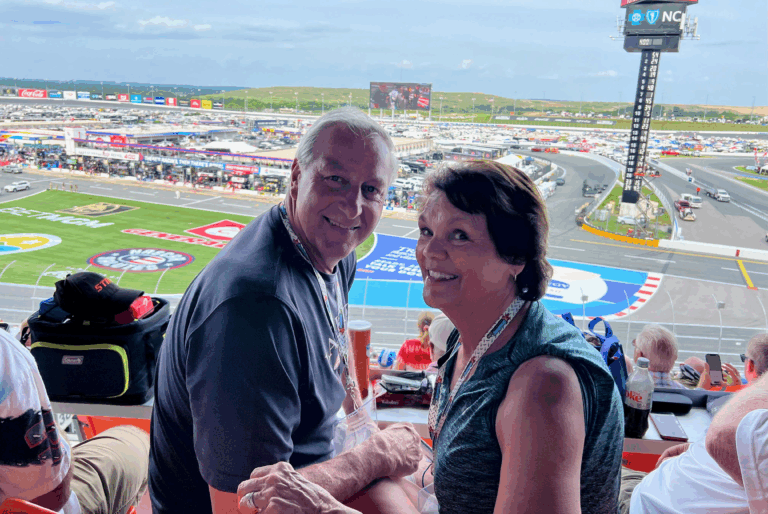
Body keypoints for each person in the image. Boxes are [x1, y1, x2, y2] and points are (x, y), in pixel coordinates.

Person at [237, 160, 624, 514]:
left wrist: (324, 509)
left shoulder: (542, 387)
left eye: (459, 236)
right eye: (426, 231)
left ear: (515, 259)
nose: (429, 251)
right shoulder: (467, 341)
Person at [148, 107, 419, 514]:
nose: (353, 207)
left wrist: (364, 427)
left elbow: (333, 341)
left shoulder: (333, 250)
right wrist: (372, 457)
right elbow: (244, 505)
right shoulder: (254, 311)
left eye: (371, 190)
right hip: (236, 504)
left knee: (420, 476)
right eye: (336, 180)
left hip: (304, 467)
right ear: (295, 176)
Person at [0, 323, 149, 514]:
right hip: (36, 502)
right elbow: (50, 498)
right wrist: (54, 432)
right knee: (136, 439)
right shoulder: (5, 353)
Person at [618, 370, 768, 514]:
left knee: (597, 462)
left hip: (642, 505)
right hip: (654, 492)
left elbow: (722, 436)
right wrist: (698, 450)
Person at [632, 325, 688, 389]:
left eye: (635, 346)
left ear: (640, 357)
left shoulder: (629, 387)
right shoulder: (684, 391)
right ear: (675, 358)